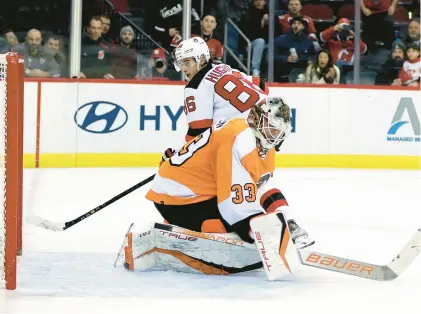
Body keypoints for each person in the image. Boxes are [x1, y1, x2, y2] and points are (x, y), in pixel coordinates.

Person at [123, 97, 314, 277]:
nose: (275, 137)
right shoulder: (238, 140)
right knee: (219, 229)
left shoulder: (259, 142)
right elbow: (233, 204)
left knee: (235, 226)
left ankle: (178, 225)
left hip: (197, 189)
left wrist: (286, 218)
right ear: (257, 118)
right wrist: (257, 230)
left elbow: (263, 185)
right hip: (177, 194)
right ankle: (163, 242)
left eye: (279, 132)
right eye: (271, 129)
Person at [162, 36, 268, 168]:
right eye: (181, 63)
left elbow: (198, 132)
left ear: (201, 59)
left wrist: (177, 155)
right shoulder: (222, 67)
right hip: (268, 136)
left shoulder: (195, 87)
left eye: (187, 62)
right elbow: (261, 85)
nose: (183, 69)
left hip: (240, 145)